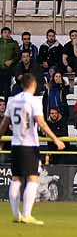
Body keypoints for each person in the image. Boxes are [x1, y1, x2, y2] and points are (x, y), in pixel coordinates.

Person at [0, 73, 65, 225]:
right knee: (33, 179)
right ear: (33, 85)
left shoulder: (13, 101)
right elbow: (41, 123)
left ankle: (16, 214)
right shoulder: (34, 101)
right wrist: (55, 139)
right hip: (30, 145)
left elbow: (4, 124)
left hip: (15, 145)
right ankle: (27, 214)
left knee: (16, 178)